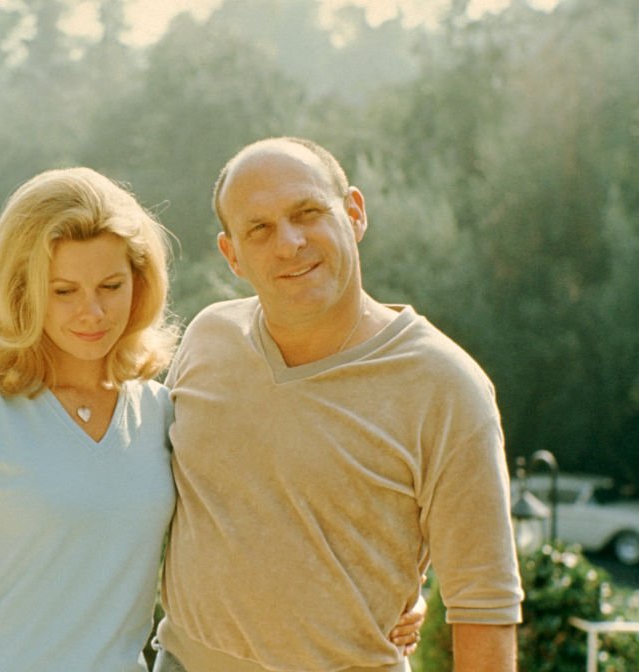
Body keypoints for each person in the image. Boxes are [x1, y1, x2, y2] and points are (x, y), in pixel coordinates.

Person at [0, 166, 424, 671]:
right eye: (63, 291)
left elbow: (268, 522)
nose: (92, 312)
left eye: (110, 286)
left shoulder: (164, 413)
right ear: (22, 291)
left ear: (139, 283)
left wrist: (392, 598)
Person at [152, 137, 524, 672]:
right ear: (231, 254)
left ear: (354, 213)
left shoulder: (446, 385)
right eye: (259, 229)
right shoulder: (209, 338)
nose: (289, 243)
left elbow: (485, 606)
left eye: (308, 213)